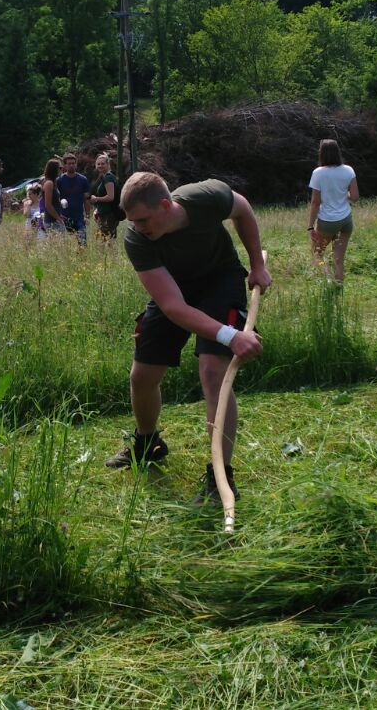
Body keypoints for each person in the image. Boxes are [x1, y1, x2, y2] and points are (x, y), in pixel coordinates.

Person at [106, 172, 271, 508]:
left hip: (220, 282)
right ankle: (148, 444)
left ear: (166, 205)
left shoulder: (205, 198)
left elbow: (242, 209)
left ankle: (220, 476)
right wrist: (232, 336)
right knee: (142, 376)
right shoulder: (137, 239)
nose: (137, 227)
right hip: (176, 292)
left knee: (213, 373)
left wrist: (257, 265)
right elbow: (173, 306)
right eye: (132, 221)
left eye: (143, 219)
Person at [307, 139, 358, 285]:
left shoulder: (318, 173)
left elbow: (315, 202)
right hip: (346, 221)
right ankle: (339, 286)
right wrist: (343, 194)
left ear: (321, 153)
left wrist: (310, 226)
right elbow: (355, 197)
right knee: (338, 258)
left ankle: (329, 280)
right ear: (338, 152)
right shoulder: (348, 170)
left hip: (327, 221)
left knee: (317, 254)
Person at [55, 153, 92, 244]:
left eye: (73, 163)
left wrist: (87, 216)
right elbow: (55, 199)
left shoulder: (83, 179)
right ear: (65, 165)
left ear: (76, 164)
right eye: (69, 163)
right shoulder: (59, 180)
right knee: (64, 244)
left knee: (82, 243)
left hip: (79, 217)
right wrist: (58, 214)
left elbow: (87, 199)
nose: (71, 165)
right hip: (64, 217)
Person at [90, 153, 121, 240]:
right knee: (105, 240)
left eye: (103, 164)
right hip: (104, 214)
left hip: (108, 215)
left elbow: (110, 197)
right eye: (98, 164)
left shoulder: (108, 178)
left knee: (105, 241)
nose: (100, 166)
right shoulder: (105, 177)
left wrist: (96, 199)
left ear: (108, 164)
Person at [39, 158, 65, 234]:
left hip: (54, 219)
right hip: (52, 222)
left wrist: (59, 215)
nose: (62, 170)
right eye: (60, 168)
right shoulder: (49, 183)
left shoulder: (53, 182)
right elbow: (48, 205)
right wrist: (58, 218)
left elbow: (54, 202)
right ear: (54, 169)